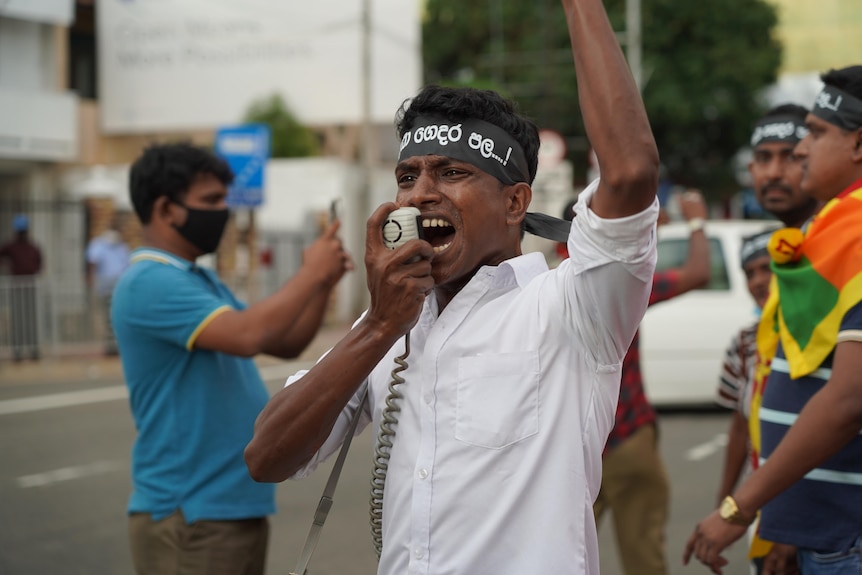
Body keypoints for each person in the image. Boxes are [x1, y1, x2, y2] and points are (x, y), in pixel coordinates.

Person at [245, 0, 660, 572]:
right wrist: (380, 325)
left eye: (452, 172)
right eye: (407, 177)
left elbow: (632, 172)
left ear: (515, 202)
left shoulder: (571, 308)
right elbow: (267, 458)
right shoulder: (390, 325)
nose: (419, 195)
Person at [111, 142, 353, 575]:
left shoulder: (198, 278)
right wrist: (311, 271)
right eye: (211, 201)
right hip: (190, 512)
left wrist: (323, 283)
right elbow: (249, 335)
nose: (223, 211)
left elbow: (283, 342)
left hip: (228, 507)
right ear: (166, 209)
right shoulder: (149, 279)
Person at [684, 64, 862, 575]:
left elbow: (847, 400)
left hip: (843, 539)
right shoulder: (827, 237)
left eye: (814, 134)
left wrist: (741, 507)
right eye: (765, 158)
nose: (798, 155)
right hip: (817, 532)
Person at [714, 104, 818, 575]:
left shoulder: (833, 255)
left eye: (790, 156)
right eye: (763, 158)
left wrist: (787, 523)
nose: (774, 172)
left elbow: (835, 409)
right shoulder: (792, 254)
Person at [597, 190, 711, 575]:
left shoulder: (542, 288)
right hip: (628, 437)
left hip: (576, 447)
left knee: (553, 556)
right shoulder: (620, 286)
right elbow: (697, 273)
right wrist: (696, 221)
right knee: (644, 558)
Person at [0, 213, 43, 361]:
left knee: (31, 320)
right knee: (18, 320)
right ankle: (17, 351)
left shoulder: (32, 246)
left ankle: (33, 349)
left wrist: (35, 272)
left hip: (30, 288)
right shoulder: (11, 246)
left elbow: (40, 263)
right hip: (16, 288)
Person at [86, 218, 130, 355]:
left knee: (118, 317)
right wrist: (91, 279)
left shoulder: (122, 246)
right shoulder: (99, 244)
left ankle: (117, 346)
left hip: (119, 288)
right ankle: (110, 347)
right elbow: (93, 262)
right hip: (105, 289)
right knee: (107, 319)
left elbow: (127, 265)